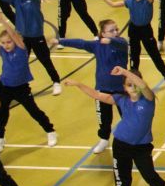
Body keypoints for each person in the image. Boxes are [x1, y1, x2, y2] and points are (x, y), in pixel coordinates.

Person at [63, 67, 165, 186]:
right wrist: (78, 84)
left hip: (141, 147)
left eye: (135, 84)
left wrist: (124, 72)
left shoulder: (148, 100)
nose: (133, 88)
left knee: (149, 174)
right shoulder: (121, 100)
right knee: (121, 178)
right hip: (120, 145)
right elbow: (97, 95)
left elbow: (143, 86)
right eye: (129, 85)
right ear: (124, 87)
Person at [0, 14, 57, 152]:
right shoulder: (2, 51)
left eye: (9, 42)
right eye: (3, 42)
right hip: (4, 87)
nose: (6, 45)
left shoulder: (21, 50)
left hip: (21, 88)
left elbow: (14, 35)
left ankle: (50, 131)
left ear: (15, 41)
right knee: (2, 114)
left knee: (34, 111)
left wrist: (2, 21)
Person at [51, 19, 128, 153]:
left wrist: (110, 40)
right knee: (103, 118)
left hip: (121, 88)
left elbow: (121, 43)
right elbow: (81, 43)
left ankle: (129, 141)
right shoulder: (97, 45)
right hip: (102, 88)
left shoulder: (121, 43)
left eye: (116, 29)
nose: (115, 32)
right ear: (102, 33)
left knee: (127, 116)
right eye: (111, 31)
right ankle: (104, 139)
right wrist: (60, 41)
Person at [0, 0, 61, 93]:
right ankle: (11, 87)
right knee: (19, 62)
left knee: (45, 60)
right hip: (22, 38)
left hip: (37, 37)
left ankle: (56, 82)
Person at [94, 0, 165, 91]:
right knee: (134, 57)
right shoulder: (130, 1)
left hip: (146, 30)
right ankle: (133, 83)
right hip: (133, 30)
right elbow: (113, 4)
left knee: (155, 55)